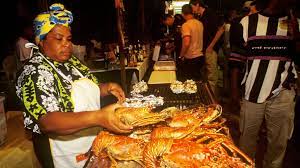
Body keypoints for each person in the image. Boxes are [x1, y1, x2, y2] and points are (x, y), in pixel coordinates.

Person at [16, 4, 132, 168]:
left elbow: (76, 92)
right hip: (61, 151)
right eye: (58, 39)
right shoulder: (34, 72)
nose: (67, 44)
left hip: (90, 141)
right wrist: (99, 117)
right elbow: (47, 121)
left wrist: (106, 88)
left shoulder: (72, 63)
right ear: (41, 41)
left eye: (68, 39)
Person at [230, 0, 299, 167]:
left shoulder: (295, 23)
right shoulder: (247, 23)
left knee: (278, 144)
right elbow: (236, 60)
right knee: (246, 142)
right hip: (252, 93)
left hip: (283, 93)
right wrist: (234, 92)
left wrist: (296, 34)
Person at [190, 0, 224, 94]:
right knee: (206, 75)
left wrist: (211, 46)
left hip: (211, 49)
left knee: (212, 76)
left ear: (197, 5)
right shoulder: (201, 16)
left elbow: (221, 29)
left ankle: (213, 101)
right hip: (204, 49)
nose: (192, 10)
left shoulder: (209, 13)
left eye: (192, 7)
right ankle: (207, 97)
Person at [178, 4, 204, 81]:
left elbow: (186, 43)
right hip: (200, 56)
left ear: (183, 13)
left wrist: (181, 56)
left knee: (188, 83)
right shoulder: (200, 23)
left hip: (191, 58)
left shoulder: (186, 25)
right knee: (197, 82)